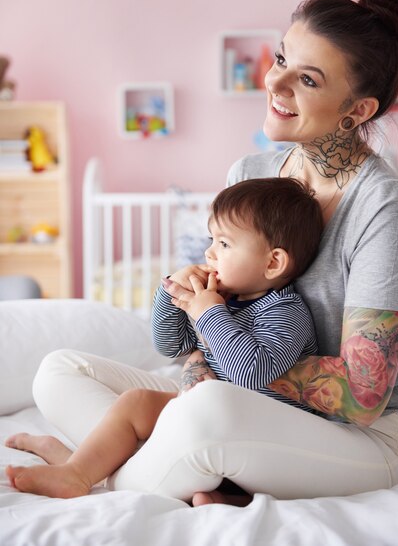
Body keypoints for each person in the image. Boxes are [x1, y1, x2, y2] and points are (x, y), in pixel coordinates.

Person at [5, 0, 398, 506]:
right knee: (59, 371)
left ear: (356, 109)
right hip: (235, 394)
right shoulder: (251, 173)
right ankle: (125, 461)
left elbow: (366, 393)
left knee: (206, 415)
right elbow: (203, 334)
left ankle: (90, 472)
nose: (275, 82)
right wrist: (201, 333)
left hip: (362, 436)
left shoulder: (384, 208)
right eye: (281, 58)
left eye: (308, 79)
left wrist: (231, 356)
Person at [6, 177, 323, 498]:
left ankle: (77, 468)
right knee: (135, 402)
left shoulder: (284, 312)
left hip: (253, 435)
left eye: (224, 244)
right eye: (211, 239)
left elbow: (253, 371)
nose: (209, 253)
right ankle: (80, 466)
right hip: (209, 421)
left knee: (148, 410)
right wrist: (170, 291)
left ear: (272, 262)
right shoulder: (223, 297)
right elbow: (170, 345)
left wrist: (209, 314)